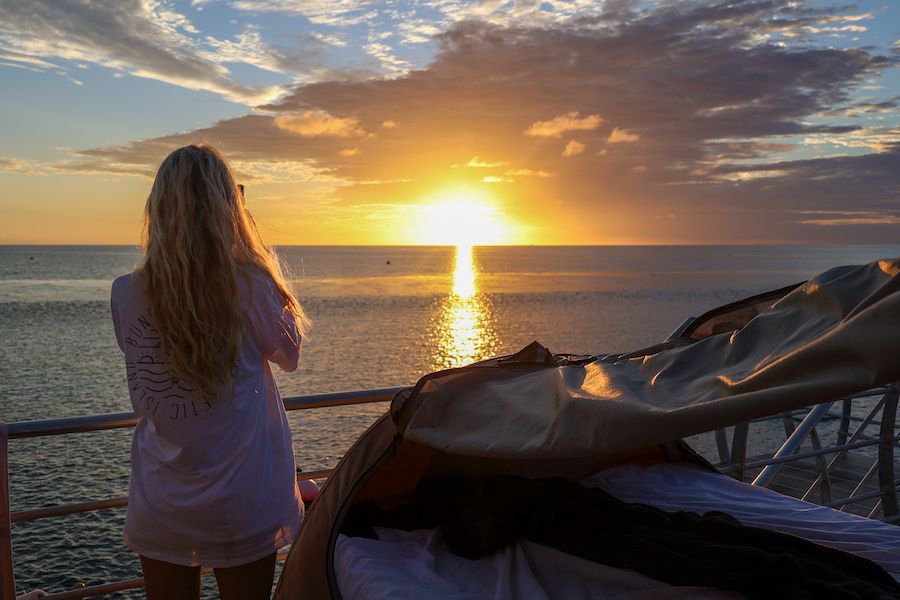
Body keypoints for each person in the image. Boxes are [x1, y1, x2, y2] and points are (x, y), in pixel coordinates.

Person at [110, 144, 308, 600]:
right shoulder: (252, 286)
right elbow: (290, 354)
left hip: (162, 499)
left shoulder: (126, 293)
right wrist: (252, 248)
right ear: (229, 210)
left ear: (158, 209)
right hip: (243, 499)